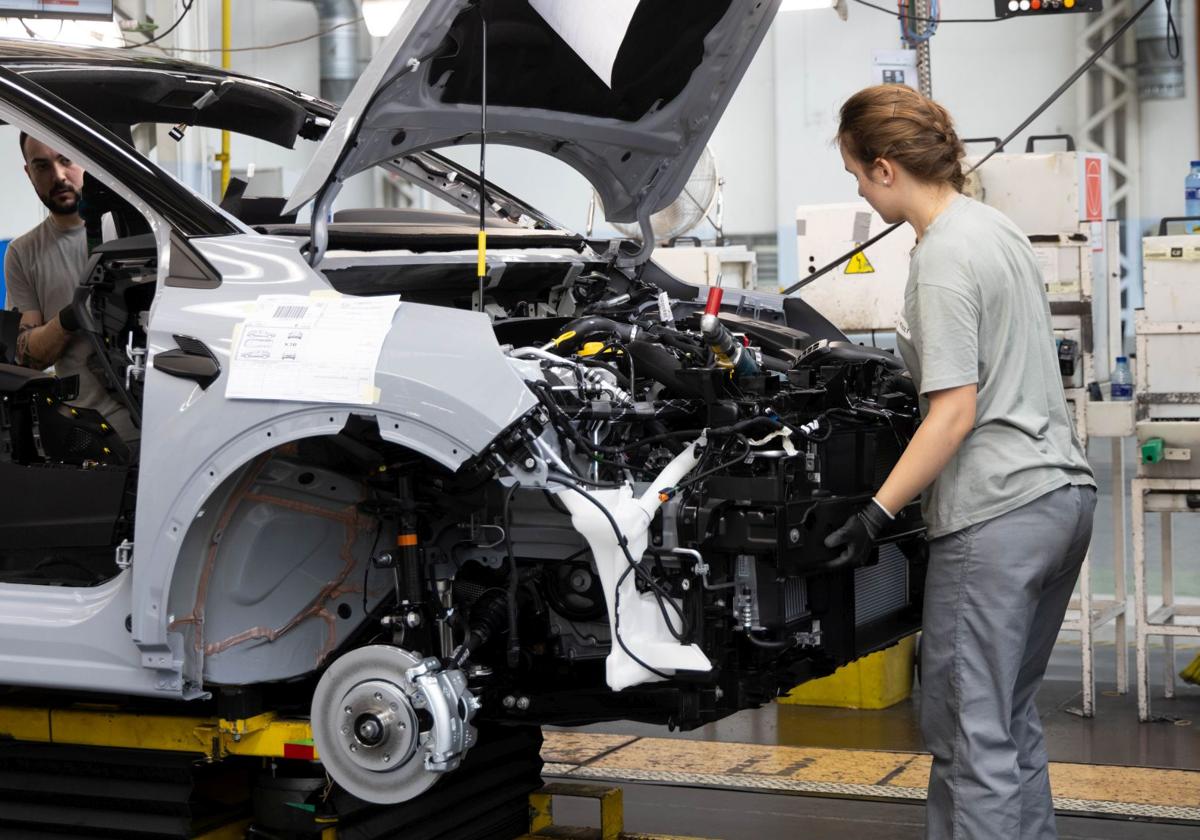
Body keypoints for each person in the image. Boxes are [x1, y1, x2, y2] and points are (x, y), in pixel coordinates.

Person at [824, 85, 1096, 840]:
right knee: (1005, 716)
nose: (855, 188)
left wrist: (875, 513)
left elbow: (953, 414)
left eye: (853, 173)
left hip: (997, 514)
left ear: (884, 168)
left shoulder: (942, 256)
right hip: (1062, 498)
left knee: (969, 733)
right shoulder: (996, 228)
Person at [5, 132, 136, 442]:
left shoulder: (134, 230)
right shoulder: (22, 253)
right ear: (29, 173)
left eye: (66, 160)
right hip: (86, 433)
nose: (58, 176)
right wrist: (70, 317)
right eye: (42, 166)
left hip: (153, 418)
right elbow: (26, 356)